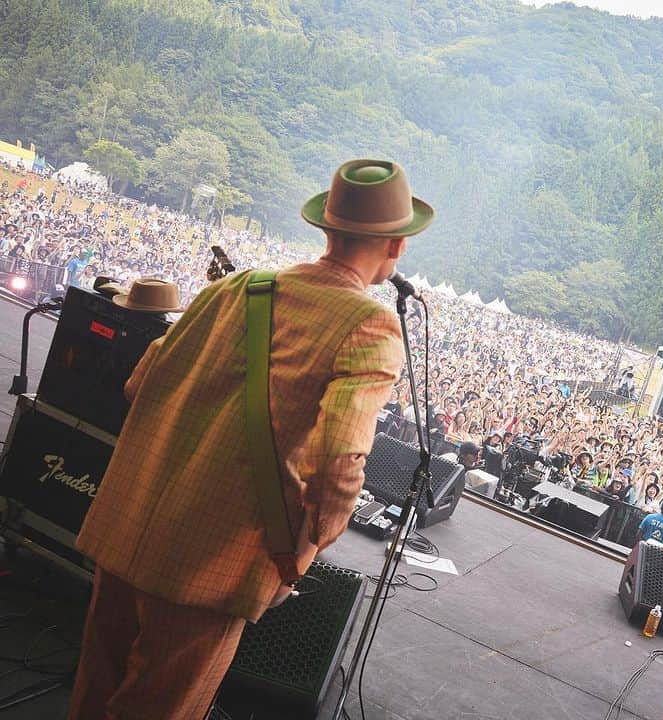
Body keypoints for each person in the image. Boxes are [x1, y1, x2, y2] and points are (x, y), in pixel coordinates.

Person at [66, 159, 433, 720]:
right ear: (397, 245)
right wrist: (303, 553)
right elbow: (339, 460)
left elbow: (140, 383)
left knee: (95, 693)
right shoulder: (370, 325)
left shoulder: (238, 287)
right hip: (213, 560)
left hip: (130, 525)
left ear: (328, 227)